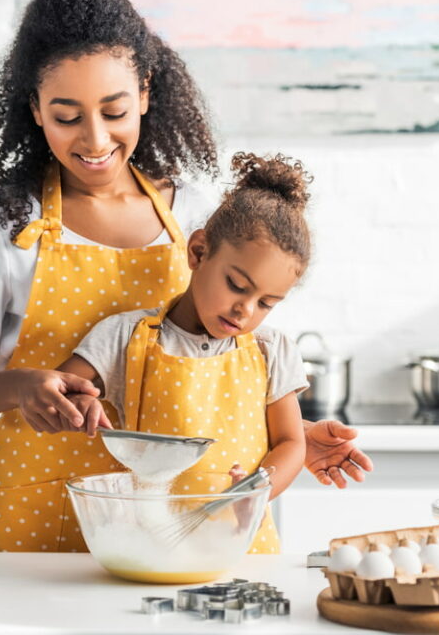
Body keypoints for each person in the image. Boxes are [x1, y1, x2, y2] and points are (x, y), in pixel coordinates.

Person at [0, 0, 372, 553]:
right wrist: (22, 387)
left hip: (170, 517)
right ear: (36, 108)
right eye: (67, 116)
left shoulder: (190, 212)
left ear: (144, 94)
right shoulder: (3, 218)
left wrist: (290, 441)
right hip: (34, 508)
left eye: (114, 111)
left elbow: (215, 365)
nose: (94, 140)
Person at [57, 152, 312, 553]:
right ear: (198, 252)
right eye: (237, 285)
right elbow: (61, 390)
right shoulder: (127, 336)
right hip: (151, 542)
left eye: (267, 303)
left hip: (241, 544)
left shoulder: (271, 350)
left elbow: (291, 443)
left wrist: (254, 491)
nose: (245, 310)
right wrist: (76, 403)